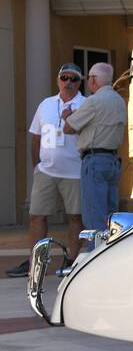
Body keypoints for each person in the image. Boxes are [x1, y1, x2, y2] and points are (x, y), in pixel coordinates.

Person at [7, 64, 86, 278]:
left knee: (76, 217)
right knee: (36, 216)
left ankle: (73, 260)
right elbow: (35, 137)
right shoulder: (46, 104)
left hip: (75, 172)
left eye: (73, 78)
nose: (68, 82)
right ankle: (35, 262)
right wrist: (37, 166)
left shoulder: (86, 105)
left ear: (80, 82)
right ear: (58, 80)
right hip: (46, 172)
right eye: (64, 77)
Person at [63, 62, 127, 233]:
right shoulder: (119, 101)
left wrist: (68, 116)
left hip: (95, 161)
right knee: (110, 216)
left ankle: (96, 255)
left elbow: (68, 128)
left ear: (93, 80)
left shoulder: (94, 101)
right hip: (113, 161)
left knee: (94, 218)